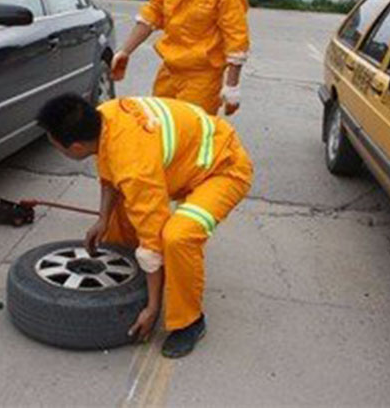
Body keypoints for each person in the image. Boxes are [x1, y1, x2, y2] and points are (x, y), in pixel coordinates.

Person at [37, 93, 253, 358]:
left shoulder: (134, 165)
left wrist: (153, 308)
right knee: (120, 218)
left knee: (177, 237)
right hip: (186, 162)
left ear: (77, 147)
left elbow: (152, 240)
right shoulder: (105, 116)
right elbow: (110, 174)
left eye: (55, 145)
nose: (54, 148)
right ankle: (137, 284)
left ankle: (190, 322)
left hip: (223, 170)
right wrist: (103, 218)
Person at [111, 0, 250, 116]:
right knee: (162, 126)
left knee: (192, 134)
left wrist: (232, 86)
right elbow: (151, 15)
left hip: (202, 78)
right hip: (169, 71)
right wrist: (125, 51)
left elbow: (236, 37)